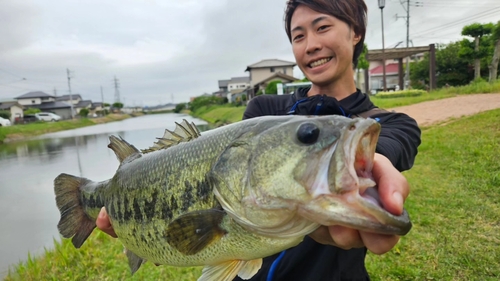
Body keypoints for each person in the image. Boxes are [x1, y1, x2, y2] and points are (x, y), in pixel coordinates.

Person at [96, 0, 421, 280]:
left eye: (322, 28)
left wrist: (373, 164)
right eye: (298, 35)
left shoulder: (391, 124)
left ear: (356, 32)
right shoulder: (264, 109)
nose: (310, 45)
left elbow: (386, 149)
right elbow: (231, 186)